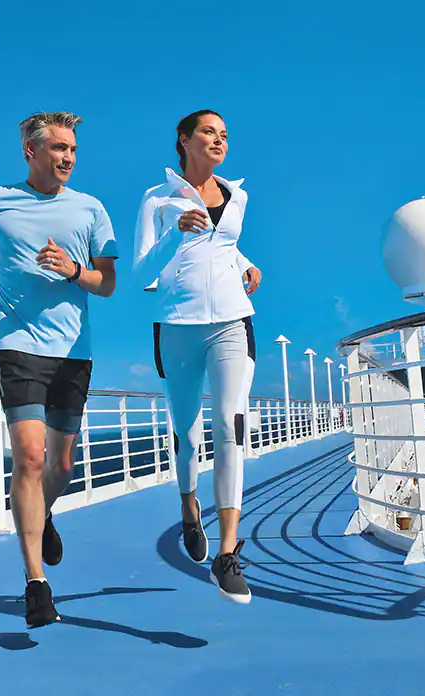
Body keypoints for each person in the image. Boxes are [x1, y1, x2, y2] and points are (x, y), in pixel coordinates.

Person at [0, 111, 118, 628]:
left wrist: (73, 270)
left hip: (73, 350)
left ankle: (41, 513)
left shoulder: (90, 209)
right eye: (59, 148)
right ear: (31, 151)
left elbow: (107, 284)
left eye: (73, 149)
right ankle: (35, 583)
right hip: (15, 345)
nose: (68, 157)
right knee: (29, 456)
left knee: (61, 467)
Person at [133, 109, 260, 604]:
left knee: (230, 426)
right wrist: (175, 232)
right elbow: (142, 271)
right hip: (177, 326)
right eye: (209, 132)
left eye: (224, 134)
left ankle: (227, 554)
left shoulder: (238, 196)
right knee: (187, 436)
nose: (219, 140)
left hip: (232, 321)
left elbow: (223, 247)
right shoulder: (157, 199)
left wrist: (248, 264)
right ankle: (190, 508)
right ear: (184, 140)